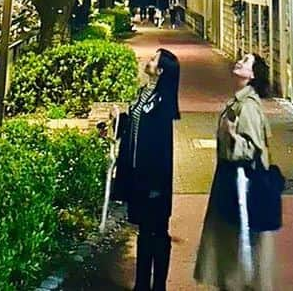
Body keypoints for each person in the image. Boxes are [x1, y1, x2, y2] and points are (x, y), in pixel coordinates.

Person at [193, 53, 276, 291]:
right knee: (233, 243)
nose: (239, 61)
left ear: (252, 75)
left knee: (237, 244)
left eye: (246, 61)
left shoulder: (247, 107)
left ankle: (240, 284)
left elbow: (252, 149)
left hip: (240, 183)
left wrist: (231, 135)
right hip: (234, 181)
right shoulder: (240, 102)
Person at [114, 47, 181, 291]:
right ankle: (142, 283)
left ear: (160, 71)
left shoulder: (162, 105)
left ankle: (158, 285)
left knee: (158, 232)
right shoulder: (143, 94)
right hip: (138, 176)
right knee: (144, 231)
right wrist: (119, 121)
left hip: (155, 182)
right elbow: (134, 124)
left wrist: (157, 185)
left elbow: (162, 149)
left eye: (153, 60)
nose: (148, 61)